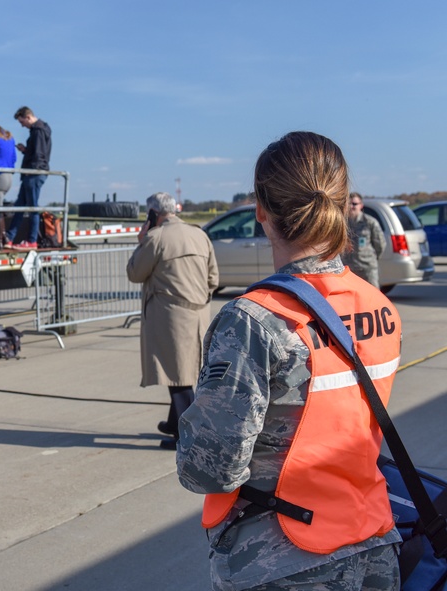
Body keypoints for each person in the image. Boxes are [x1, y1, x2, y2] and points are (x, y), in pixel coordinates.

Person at [177, 131, 402, 591]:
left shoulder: (254, 320)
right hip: (374, 546)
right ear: (340, 205)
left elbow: (210, 467)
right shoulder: (378, 306)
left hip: (284, 560)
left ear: (262, 211)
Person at [126, 192, 218, 450]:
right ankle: (174, 422)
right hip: (199, 315)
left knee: (177, 375)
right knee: (185, 369)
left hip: (170, 316)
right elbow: (213, 279)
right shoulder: (199, 234)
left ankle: (187, 438)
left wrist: (141, 241)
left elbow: (135, 273)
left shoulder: (156, 238)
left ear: (154, 213)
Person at [5, 106, 51, 249]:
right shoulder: (42, 129)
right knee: (20, 206)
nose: (22, 125)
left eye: (22, 122)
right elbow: (38, 152)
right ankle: (10, 237)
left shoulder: (37, 131)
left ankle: (31, 241)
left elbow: (38, 154)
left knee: (32, 208)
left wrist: (32, 170)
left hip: (34, 173)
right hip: (34, 172)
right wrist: (26, 150)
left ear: (28, 117)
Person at [344, 192, 386, 288]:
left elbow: (380, 245)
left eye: (354, 204)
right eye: (349, 204)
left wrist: (371, 259)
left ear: (361, 205)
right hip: (348, 270)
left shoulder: (370, 222)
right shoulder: (343, 223)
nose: (351, 206)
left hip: (367, 268)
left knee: (374, 298)